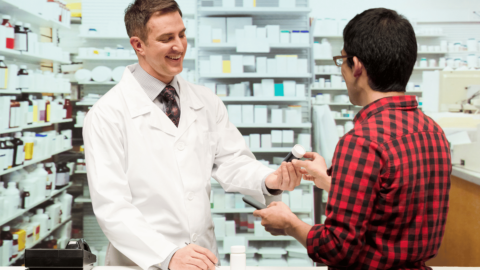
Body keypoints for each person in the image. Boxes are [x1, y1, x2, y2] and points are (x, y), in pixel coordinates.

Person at [82, 1, 302, 270]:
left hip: (201, 258)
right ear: (138, 45)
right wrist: (167, 254)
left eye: (182, 34)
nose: (179, 46)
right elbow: (112, 207)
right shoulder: (107, 114)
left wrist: (269, 179)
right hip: (142, 262)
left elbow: (233, 162)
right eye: (166, 38)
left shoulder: (205, 101)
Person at [253, 8, 451, 270]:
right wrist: (328, 180)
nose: (342, 72)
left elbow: (336, 248)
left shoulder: (362, 141)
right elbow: (391, 207)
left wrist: (290, 223)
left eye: (342, 61)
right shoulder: (434, 133)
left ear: (357, 66)